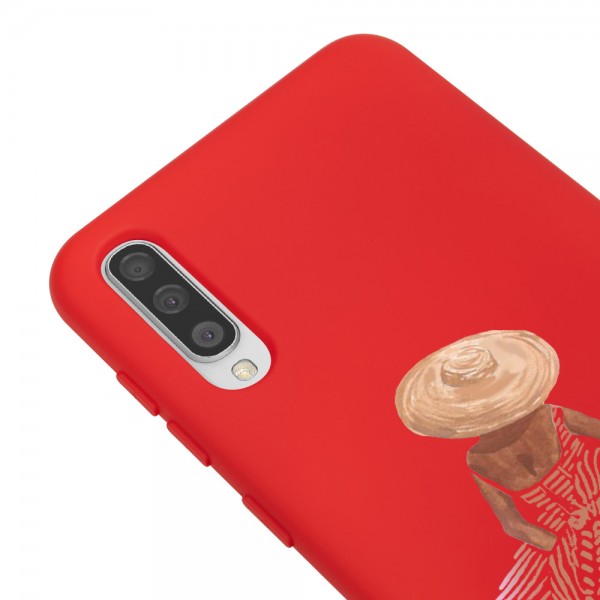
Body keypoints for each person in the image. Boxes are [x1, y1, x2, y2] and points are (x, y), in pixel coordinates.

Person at [395, 330, 600, 599]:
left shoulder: (478, 461)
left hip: (567, 549)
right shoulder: (553, 416)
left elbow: (514, 525)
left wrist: (568, 548)